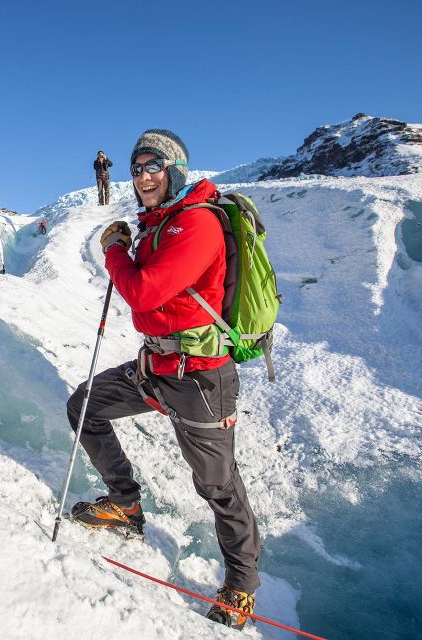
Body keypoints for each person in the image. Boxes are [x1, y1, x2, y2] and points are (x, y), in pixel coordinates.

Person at [67, 129, 260, 631]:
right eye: (136, 169)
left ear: (175, 169)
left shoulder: (195, 225)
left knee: (217, 485)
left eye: (153, 165)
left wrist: (114, 250)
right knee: (85, 405)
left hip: (200, 378)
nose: (143, 176)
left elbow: (145, 292)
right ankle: (125, 505)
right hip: (156, 367)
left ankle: (241, 584)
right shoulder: (160, 225)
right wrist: (128, 246)